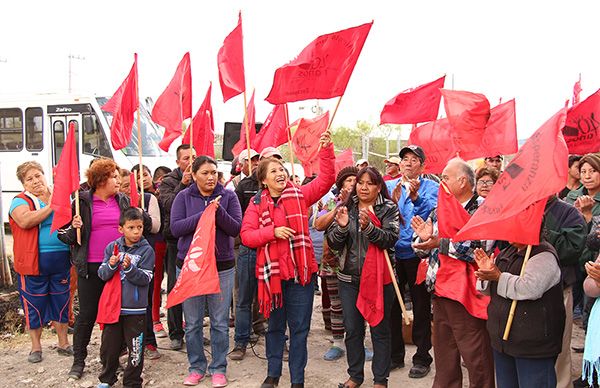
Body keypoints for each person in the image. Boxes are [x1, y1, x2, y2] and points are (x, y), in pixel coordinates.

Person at [240, 131, 336, 388]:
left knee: (300, 330)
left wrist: (326, 150)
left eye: (281, 169)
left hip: (300, 276)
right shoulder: (256, 204)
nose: (280, 173)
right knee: (274, 328)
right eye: (273, 171)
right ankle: (273, 374)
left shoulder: (300, 195)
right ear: (263, 180)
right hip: (273, 278)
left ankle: (297, 380)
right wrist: (272, 232)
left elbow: (327, 179)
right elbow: (247, 236)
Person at [58, 158, 151, 380]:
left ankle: (110, 362)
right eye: (114, 177)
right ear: (101, 180)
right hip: (91, 266)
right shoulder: (81, 202)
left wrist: (140, 209)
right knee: (87, 314)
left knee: (116, 315)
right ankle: (78, 361)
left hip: (119, 266)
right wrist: (74, 227)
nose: (119, 181)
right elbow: (65, 236)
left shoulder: (123, 200)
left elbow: (142, 224)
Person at [411, 158, 495, 388]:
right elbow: (419, 245)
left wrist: (439, 244)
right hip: (440, 288)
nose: (442, 182)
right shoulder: (441, 209)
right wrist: (424, 240)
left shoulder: (483, 208)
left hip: (468, 292)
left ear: (463, 181)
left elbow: (480, 248)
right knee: (444, 353)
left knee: (475, 354)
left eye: (446, 177)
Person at [170, 156, 242, 387]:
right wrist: (204, 214)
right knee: (192, 323)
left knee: (220, 322)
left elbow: (235, 228)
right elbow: (176, 228)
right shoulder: (183, 197)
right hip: (191, 266)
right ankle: (196, 366)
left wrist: (217, 212)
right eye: (205, 173)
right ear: (194, 174)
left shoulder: (229, 196)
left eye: (214, 172)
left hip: (222, 267)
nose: (210, 177)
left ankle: (219, 367)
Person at [327, 167, 401, 388]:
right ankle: (355, 376)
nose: (364, 187)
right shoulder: (346, 208)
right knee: (353, 330)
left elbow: (390, 238)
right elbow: (333, 243)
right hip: (349, 280)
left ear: (379, 186)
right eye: (360, 183)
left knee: (380, 329)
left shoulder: (387, 208)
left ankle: (380, 380)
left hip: (380, 280)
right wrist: (341, 229)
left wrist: (369, 227)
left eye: (370, 183)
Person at [475, 240, 565, 388]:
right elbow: (488, 290)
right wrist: (485, 275)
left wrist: (498, 277)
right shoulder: (506, 253)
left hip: (532, 345)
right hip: (502, 340)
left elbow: (529, 289)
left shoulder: (544, 255)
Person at [9, 161, 72, 363]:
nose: (36, 181)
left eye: (38, 175)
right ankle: (36, 347)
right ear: (23, 184)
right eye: (30, 179)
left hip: (61, 259)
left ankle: (64, 342)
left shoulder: (60, 195)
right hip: (33, 261)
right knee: (34, 303)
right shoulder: (19, 201)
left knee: (61, 300)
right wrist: (52, 206)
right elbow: (25, 221)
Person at [386, 145, 438, 378]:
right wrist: (391, 201)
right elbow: (381, 213)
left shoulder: (432, 187)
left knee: (420, 306)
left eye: (414, 159)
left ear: (422, 165)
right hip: (392, 254)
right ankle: (395, 355)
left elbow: (433, 214)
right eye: (404, 159)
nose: (408, 163)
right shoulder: (389, 186)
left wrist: (416, 198)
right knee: (393, 307)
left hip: (419, 254)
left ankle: (422, 357)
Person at [96, 208, 155, 388]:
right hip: (113, 307)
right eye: (131, 227)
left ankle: (132, 381)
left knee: (136, 348)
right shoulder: (112, 248)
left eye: (139, 227)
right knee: (109, 347)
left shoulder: (147, 251)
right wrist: (112, 265)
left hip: (135, 308)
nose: (136, 231)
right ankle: (107, 378)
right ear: (121, 229)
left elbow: (146, 279)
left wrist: (130, 269)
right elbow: (102, 274)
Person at [541, 195, 587, 388]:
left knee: (558, 345)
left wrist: (542, 230)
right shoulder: (521, 207)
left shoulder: (569, 212)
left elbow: (572, 249)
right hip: (524, 286)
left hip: (558, 288)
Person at [230, 148, 265, 361]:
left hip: (271, 248)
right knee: (243, 297)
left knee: (272, 295)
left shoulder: (282, 190)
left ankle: (273, 337)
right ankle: (240, 341)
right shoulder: (243, 187)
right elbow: (239, 218)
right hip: (248, 248)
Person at [157, 144, 193, 351]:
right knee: (175, 287)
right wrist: (183, 185)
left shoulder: (202, 175)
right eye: (186, 158)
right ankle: (175, 332)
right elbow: (168, 204)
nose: (191, 161)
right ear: (178, 162)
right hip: (175, 240)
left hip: (197, 238)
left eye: (194, 157)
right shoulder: (169, 181)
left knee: (195, 288)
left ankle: (193, 330)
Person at [131, 163, 162, 360]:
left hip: (145, 255)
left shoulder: (149, 199)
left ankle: (149, 340)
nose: (142, 179)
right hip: (123, 256)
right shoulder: (119, 200)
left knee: (146, 297)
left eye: (145, 174)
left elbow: (156, 227)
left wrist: (140, 214)